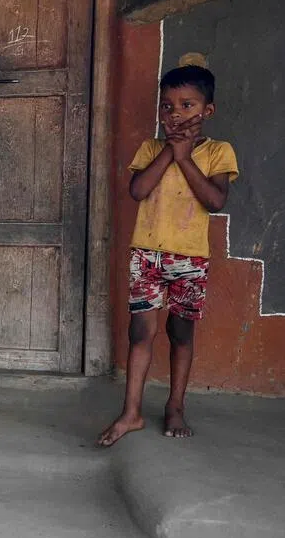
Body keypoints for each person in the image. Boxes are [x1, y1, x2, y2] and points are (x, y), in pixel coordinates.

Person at [98, 62, 238, 446]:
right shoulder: (150, 148)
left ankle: (175, 405)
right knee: (140, 332)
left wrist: (185, 156)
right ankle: (131, 413)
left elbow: (214, 199)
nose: (175, 114)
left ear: (207, 111)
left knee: (180, 333)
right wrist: (170, 151)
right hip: (147, 255)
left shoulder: (219, 152)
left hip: (190, 259)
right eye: (167, 106)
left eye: (187, 105)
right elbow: (139, 190)